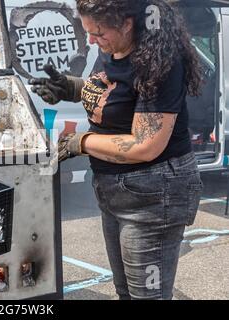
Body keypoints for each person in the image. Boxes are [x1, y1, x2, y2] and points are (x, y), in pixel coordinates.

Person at [30, 0, 204, 300]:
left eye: (98, 32)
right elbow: (115, 91)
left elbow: (145, 144)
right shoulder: (111, 48)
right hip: (114, 190)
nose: (91, 40)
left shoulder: (160, 62)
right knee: (125, 291)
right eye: (88, 32)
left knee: (146, 297)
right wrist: (70, 87)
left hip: (154, 195)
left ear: (127, 23)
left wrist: (80, 142)